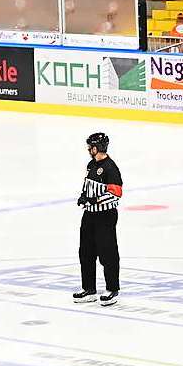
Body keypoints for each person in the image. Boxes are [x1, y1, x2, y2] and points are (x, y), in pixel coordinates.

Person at [73, 132, 123, 307]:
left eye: (90, 147)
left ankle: (112, 289)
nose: (88, 149)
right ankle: (89, 289)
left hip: (105, 216)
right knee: (85, 252)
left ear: (97, 148)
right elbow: (87, 185)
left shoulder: (110, 168)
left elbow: (116, 194)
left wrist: (95, 200)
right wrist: (83, 196)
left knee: (107, 252)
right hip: (89, 216)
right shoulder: (91, 165)